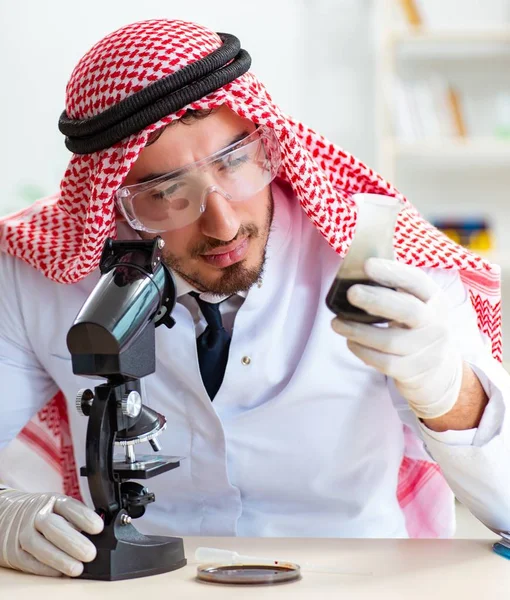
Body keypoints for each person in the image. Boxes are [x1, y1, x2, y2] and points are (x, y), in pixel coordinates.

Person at [0, 18, 509, 579]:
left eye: (235, 163)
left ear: (270, 145)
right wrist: (5, 516)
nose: (221, 224)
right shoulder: (36, 270)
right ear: (114, 204)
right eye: (167, 193)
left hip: (358, 582)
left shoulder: (380, 254)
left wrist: (448, 391)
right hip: (146, 585)